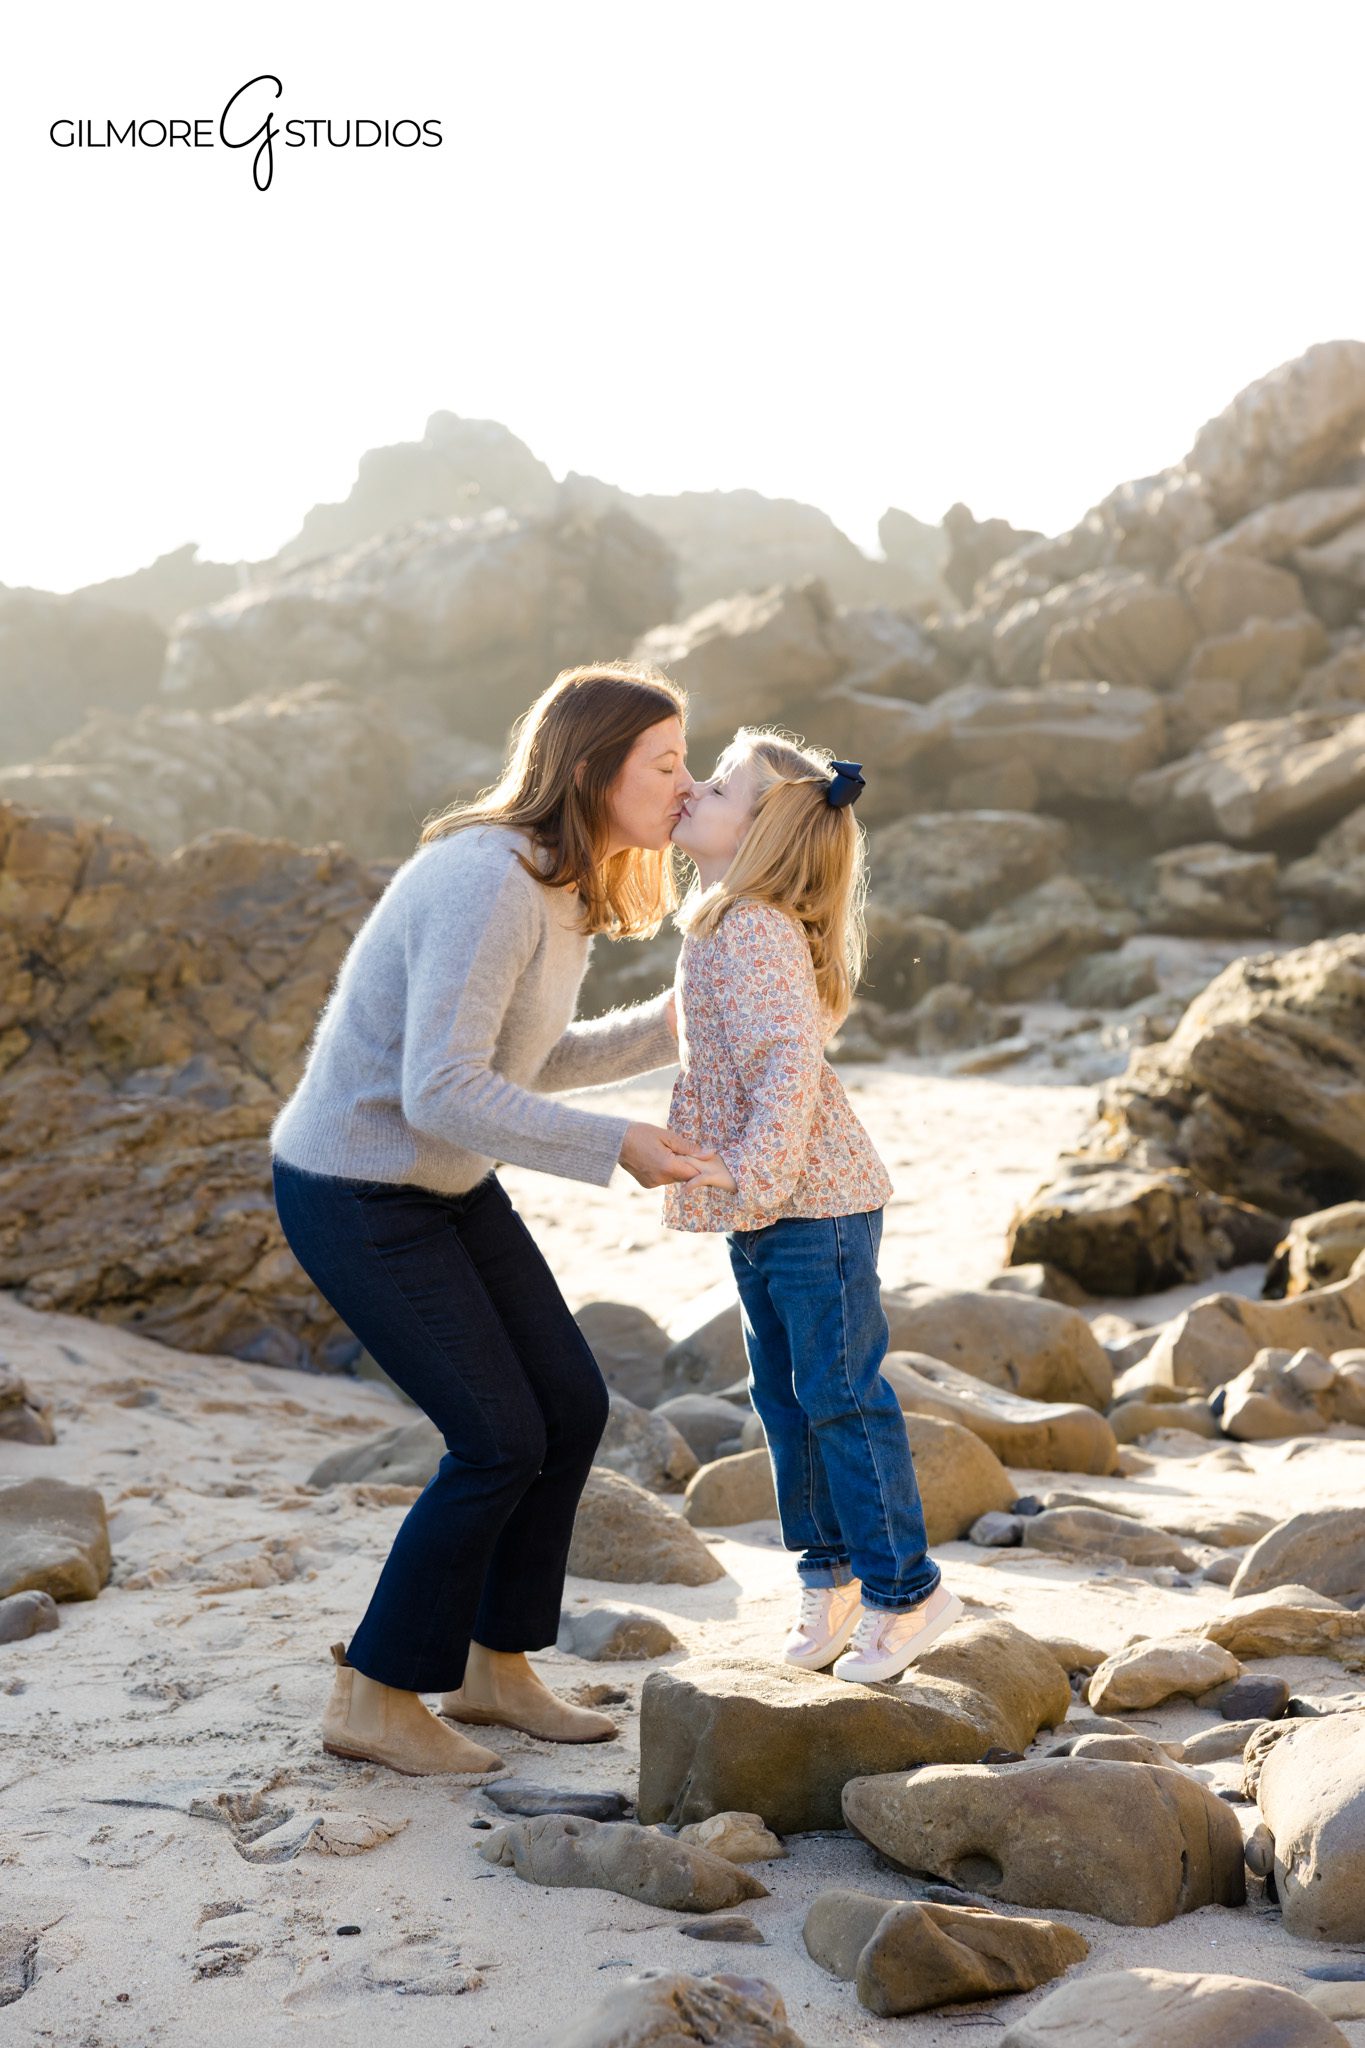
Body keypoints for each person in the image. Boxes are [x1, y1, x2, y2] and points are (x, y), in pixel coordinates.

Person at [270, 661, 712, 1775]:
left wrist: (672, 1025)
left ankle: (492, 1667)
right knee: (497, 1435)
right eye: (664, 762)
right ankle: (374, 1690)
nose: (685, 782)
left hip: (445, 1182)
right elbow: (440, 1088)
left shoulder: (561, 887)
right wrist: (617, 1144)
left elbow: (524, 1059)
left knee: (566, 1402)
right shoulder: (489, 877)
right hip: (357, 1187)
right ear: (593, 767)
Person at [663, 729, 963, 1684]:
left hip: (811, 1203)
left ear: (762, 835)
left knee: (838, 1397)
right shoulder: (720, 918)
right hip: (771, 1202)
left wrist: (750, 1178)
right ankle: (829, 1577)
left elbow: (789, 1064)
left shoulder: (750, 927)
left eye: (713, 786)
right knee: (787, 1402)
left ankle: (906, 1592)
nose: (690, 791)